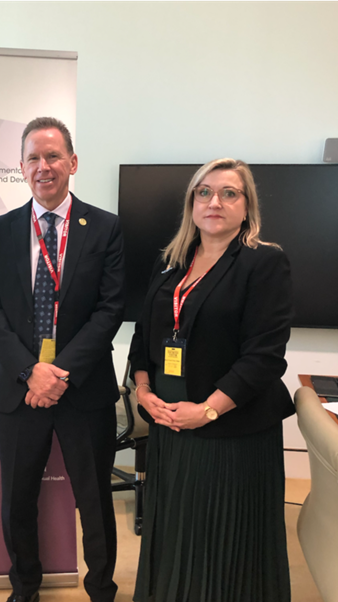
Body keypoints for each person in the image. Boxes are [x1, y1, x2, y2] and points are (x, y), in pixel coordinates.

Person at [129, 158, 294, 602]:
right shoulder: (171, 263)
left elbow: (263, 357)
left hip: (231, 433)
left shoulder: (264, 262)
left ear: (246, 207)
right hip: (171, 426)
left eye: (228, 193)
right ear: (191, 204)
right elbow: (145, 336)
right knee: (176, 534)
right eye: (204, 192)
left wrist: (206, 410)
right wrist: (144, 393)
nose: (214, 201)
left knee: (223, 543)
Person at [0, 117, 125, 602]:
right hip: (19, 389)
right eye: (34, 158)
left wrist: (59, 372)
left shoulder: (105, 227)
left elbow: (110, 309)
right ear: (21, 167)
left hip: (82, 388)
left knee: (95, 500)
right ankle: (25, 590)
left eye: (54, 156)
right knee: (18, 501)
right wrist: (29, 370)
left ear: (72, 163)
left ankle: (101, 588)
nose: (45, 166)